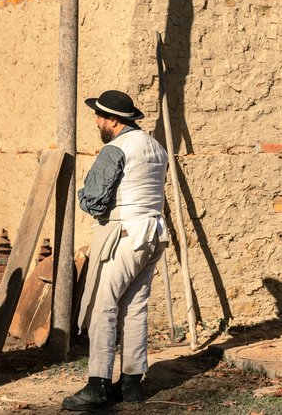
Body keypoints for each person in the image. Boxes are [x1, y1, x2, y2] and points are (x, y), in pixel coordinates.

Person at [62, 90, 169, 412]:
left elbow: (93, 200)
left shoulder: (115, 148)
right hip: (153, 233)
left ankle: (98, 385)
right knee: (135, 308)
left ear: (112, 120)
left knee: (102, 307)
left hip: (124, 234)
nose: (96, 121)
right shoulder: (155, 146)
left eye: (99, 116)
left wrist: (85, 192)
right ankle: (132, 384)